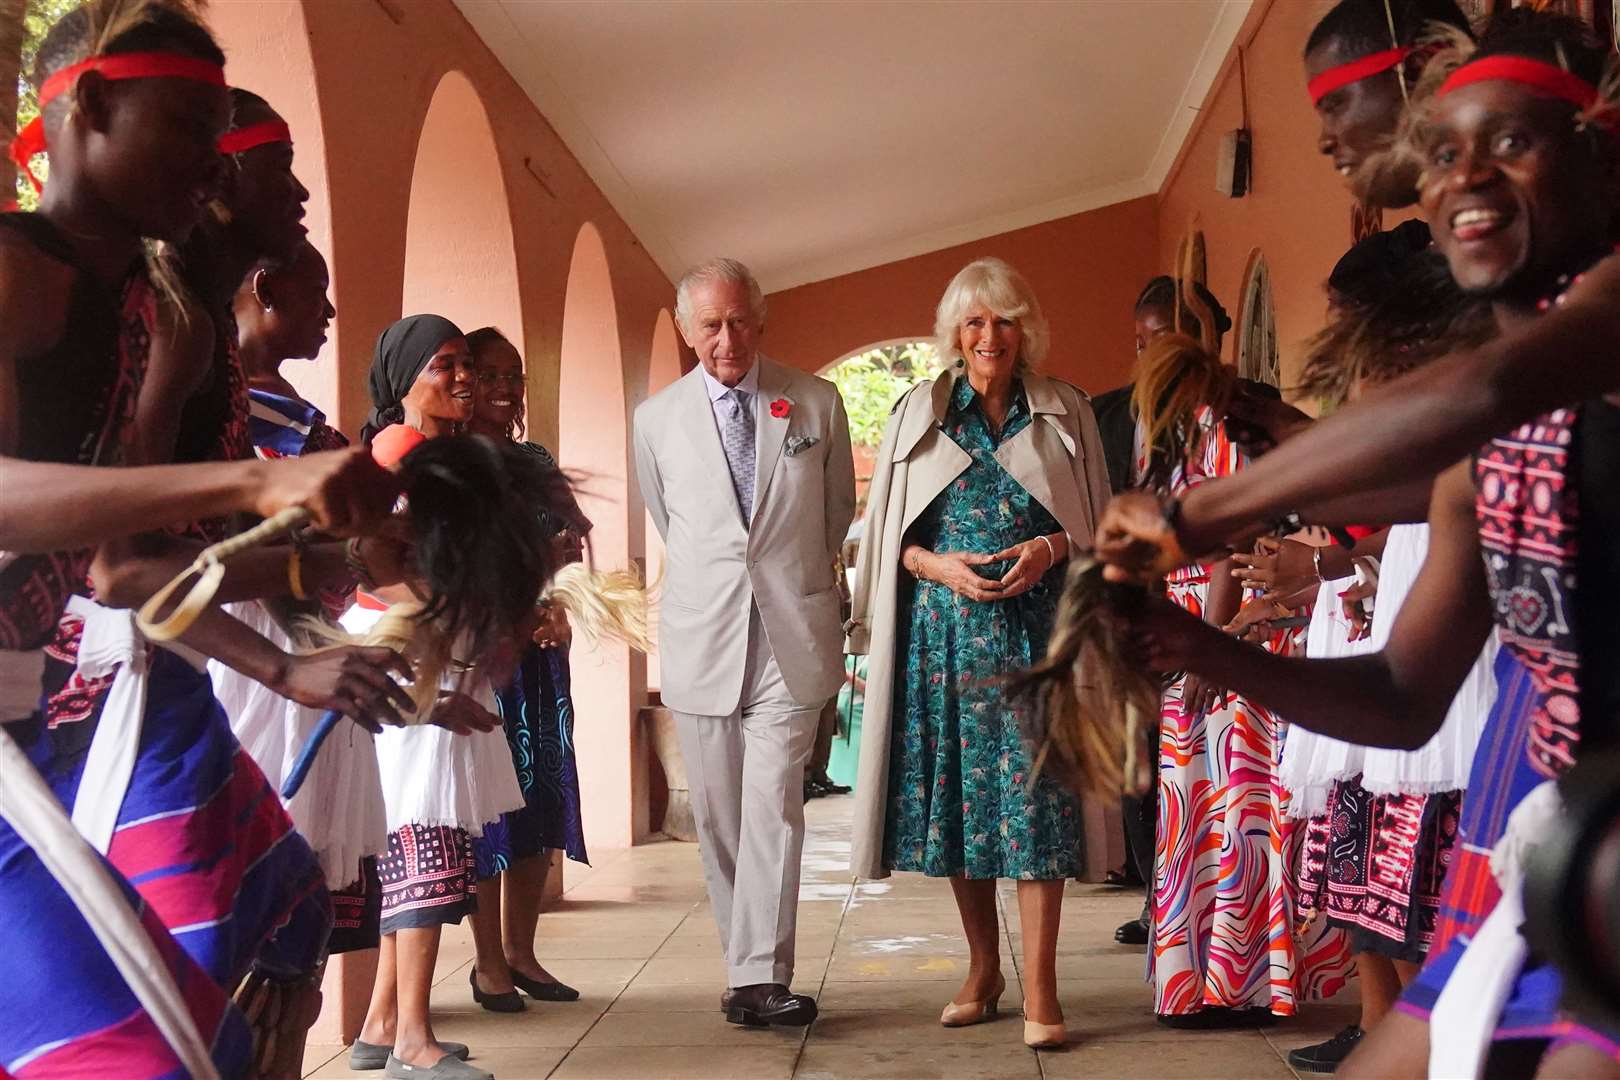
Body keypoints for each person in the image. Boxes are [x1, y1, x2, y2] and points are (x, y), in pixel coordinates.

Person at [1118, 13, 1620, 1076]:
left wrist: (1198, 515)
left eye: (1512, 144)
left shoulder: (1589, 327)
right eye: (1442, 153)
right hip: (1560, 845)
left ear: (1602, 153)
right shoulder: (1484, 460)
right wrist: (1201, 651)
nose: (1466, 177)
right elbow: (1403, 692)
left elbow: (1479, 387)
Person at [0, 3, 397, 1075]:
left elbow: (125, 561)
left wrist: (307, 613)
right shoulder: (15, 270)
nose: (210, 162)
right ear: (87, 106)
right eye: (186, 127)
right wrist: (259, 491)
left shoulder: (144, 306)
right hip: (105, 697)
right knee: (156, 1048)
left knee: (260, 954)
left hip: (31, 714)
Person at [844, 257, 1110, 1050]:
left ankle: (1045, 989)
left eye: (1003, 319)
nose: (989, 335)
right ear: (953, 334)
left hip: (1040, 634)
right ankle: (983, 969)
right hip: (945, 638)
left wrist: (1051, 547)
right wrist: (940, 565)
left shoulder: (1066, 411)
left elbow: (1096, 524)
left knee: (1041, 807)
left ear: (1025, 328)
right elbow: (890, 538)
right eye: (973, 321)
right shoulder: (916, 414)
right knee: (962, 807)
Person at [633, 256, 855, 1028]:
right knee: (721, 817)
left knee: (773, 806)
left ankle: (762, 974)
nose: (727, 339)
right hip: (705, 634)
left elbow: (834, 515)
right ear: (686, 329)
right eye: (710, 325)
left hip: (791, 633)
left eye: (739, 321)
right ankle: (746, 968)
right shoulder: (654, 420)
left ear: (760, 320)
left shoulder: (816, 401)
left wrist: (790, 580)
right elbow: (672, 523)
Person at [1130, 276, 1353, 1028]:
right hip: (1196, 616)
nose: (1152, 351)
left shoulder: (1230, 415)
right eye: (1142, 339)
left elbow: (1230, 545)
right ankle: (1204, 981)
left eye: (1166, 334)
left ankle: (1240, 982)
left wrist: (1213, 647)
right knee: (1198, 803)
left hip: (1234, 623)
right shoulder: (1173, 422)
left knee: (1239, 807)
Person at [352, 315, 520, 1080]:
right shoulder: (398, 454)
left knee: (422, 841)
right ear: (401, 380)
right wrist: (451, 610)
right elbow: (367, 564)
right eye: (441, 365)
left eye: (464, 363)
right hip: (417, 664)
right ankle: (413, 1042)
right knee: (421, 838)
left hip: (439, 659)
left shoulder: (427, 454)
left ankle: (381, 1024)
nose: (460, 377)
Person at [463, 325, 592, 1008]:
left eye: (514, 375)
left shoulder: (535, 460)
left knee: (539, 800)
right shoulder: (448, 463)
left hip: (540, 655)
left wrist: (560, 606)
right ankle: (487, 964)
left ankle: (523, 953)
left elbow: (571, 547)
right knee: (491, 810)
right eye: (489, 374)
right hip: (484, 659)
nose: (506, 387)